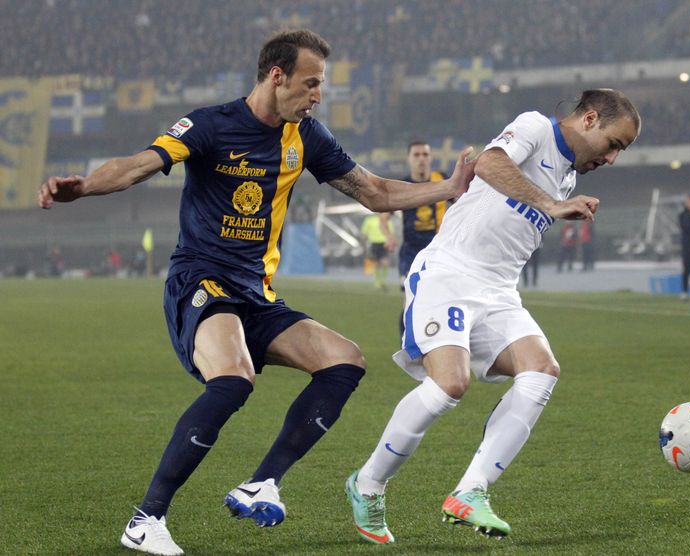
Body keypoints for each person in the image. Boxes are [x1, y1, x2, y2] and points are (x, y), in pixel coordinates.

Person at [39, 29, 475, 556]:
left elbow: (376, 192)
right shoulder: (208, 124)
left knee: (345, 361)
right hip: (200, 280)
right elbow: (137, 165)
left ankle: (262, 482)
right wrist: (83, 186)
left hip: (256, 293)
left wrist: (449, 189)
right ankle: (146, 519)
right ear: (277, 75)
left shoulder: (307, 137)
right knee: (234, 378)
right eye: (311, 84)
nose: (318, 95)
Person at [345, 88, 640, 543]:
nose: (614, 158)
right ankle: (368, 483)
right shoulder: (535, 128)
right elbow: (488, 163)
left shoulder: (566, 179)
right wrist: (550, 203)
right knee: (450, 384)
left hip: (499, 292)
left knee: (542, 370)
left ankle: (471, 491)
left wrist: (556, 200)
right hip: (449, 273)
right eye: (614, 143)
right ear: (589, 119)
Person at [380, 141, 448, 335]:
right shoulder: (403, 186)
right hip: (411, 252)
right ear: (409, 159)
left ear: (430, 158)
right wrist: (389, 235)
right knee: (412, 300)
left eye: (425, 155)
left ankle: (435, 343)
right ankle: (407, 345)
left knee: (440, 300)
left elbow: (462, 201)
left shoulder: (442, 180)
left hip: (438, 252)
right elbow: (384, 218)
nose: (421, 159)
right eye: (416, 155)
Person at [361, 212, 396, 289]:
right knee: (376, 263)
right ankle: (377, 282)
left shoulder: (387, 220)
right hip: (374, 243)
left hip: (384, 242)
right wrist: (364, 244)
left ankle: (383, 280)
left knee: (385, 262)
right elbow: (364, 233)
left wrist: (392, 240)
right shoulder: (369, 220)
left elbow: (391, 232)